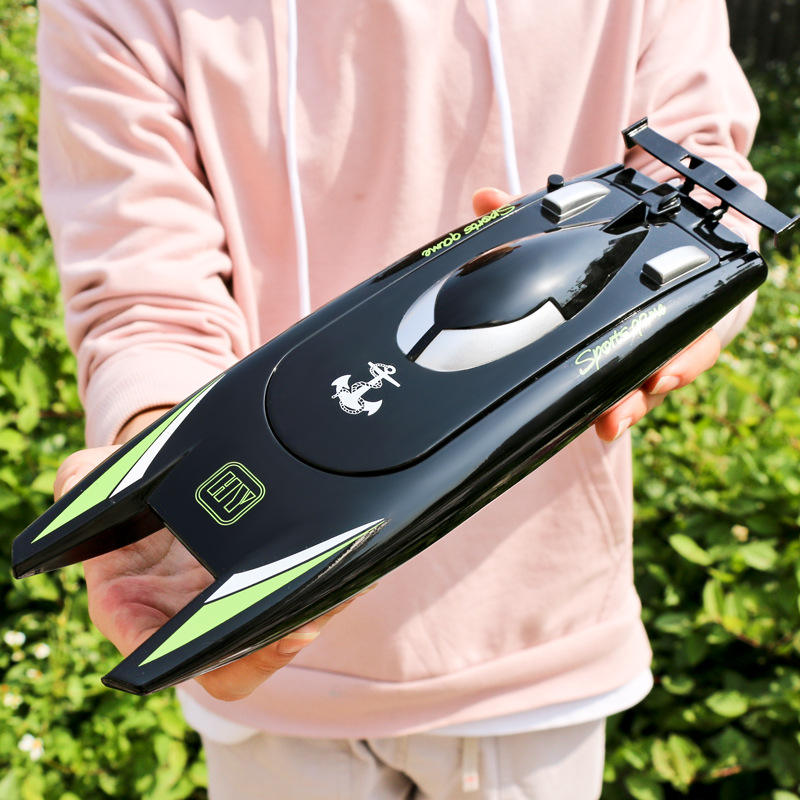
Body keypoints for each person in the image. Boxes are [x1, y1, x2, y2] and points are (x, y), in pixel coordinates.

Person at [38, 1, 766, 797]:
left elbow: (708, 180)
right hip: (264, 678)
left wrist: (685, 316)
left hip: (535, 649)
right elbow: (142, 271)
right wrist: (158, 437)